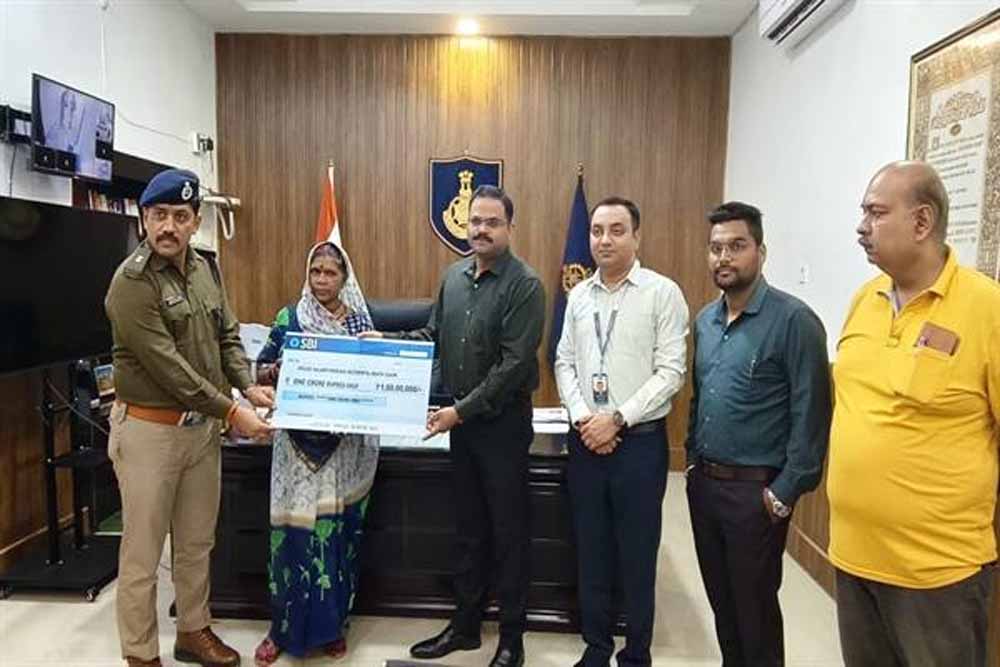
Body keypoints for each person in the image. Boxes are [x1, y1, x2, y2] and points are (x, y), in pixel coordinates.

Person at [363, 185, 545, 667]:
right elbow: (433, 335)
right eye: (475, 221)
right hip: (462, 426)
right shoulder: (454, 277)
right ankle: (465, 627)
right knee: (468, 530)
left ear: (509, 228)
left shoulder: (525, 285)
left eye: (492, 222)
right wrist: (387, 342)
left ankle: (512, 638)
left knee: (508, 533)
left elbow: (512, 367)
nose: (481, 230)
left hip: (502, 426)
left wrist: (458, 412)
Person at [828, 161, 1000, 667]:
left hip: (936, 575)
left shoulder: (985, 308)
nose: (862, 227)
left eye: (876, 213)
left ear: (922, 222)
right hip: (853, 559)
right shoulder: (865, 300)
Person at [104, 168, 273, 667]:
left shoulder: (205, 268)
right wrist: (234, 411)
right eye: (159, 215)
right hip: (149, 433)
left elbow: (227, 335)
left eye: (180, 216)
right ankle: (141, 655)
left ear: (196, 221)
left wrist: (247, 383)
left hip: (201, 433)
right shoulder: (130, 284)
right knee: (142, 555)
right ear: (144, 218)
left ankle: (193, 631)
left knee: (197, 543)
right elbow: (171, 371)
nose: (169, 227)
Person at [686, 201, 831, 667]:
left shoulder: (794, 321)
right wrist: (691, 464)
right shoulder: (705, 321)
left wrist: (784, 492)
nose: (724, 257)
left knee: (755, 613)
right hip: (706, 486)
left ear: (761, 252)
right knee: (723, 606)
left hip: (756, 494)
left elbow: (812, 415)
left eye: (737, 246)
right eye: (716, 248)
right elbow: (699, 397)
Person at [554, 196, 689, 667]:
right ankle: (596, 648)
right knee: (590, 550)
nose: (604, 240)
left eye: (616, 230)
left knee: (636, 554)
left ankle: (637, 654)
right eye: (596, 231)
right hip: (585, 440)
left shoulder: (662, 293)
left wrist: (617, 418)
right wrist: (583, 417)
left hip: (639, 444)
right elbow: (563, 361)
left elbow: (671, 372)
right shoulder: (578, 296)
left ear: (637, 236)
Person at [251, 241, 379, 666]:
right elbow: (259, 370)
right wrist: (280, 368)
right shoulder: (289, 318)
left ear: (344, 278)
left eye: (331, 273)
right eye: (316, 272)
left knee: (333, 537)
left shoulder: (359, 322)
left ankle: (332, 627)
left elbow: (375, 375)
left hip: (343, 445)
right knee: (292, 536)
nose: (322, 280)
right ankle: (281, 631)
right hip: (295, 446)